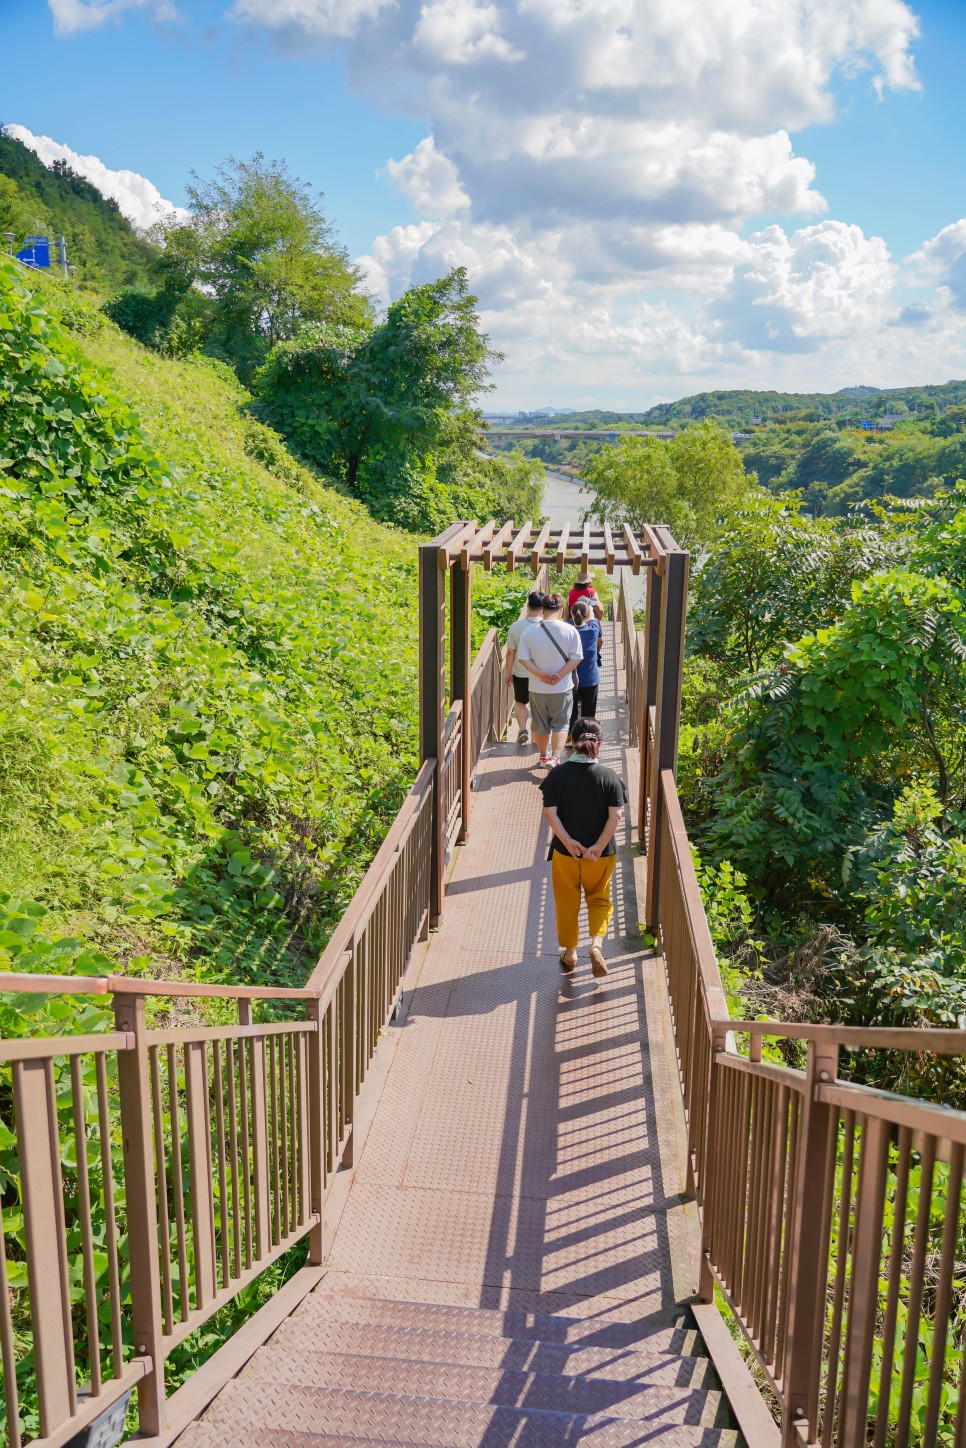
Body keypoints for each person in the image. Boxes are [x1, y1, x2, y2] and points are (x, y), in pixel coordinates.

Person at [539, 717, 625, 977]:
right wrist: (597, 846)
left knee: (567, 901)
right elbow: (616, 816)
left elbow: (550, 813)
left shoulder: (558, 775)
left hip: (566, 853)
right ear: (599, 743)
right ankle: (596, 945)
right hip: (600, 855)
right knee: (599, 899)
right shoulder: (610, 777)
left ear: (571, 742)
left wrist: (567, 841)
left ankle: (570, 953)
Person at [517, 593, 584, 769]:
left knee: (540, 725)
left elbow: (523, 658)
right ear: (562, 610)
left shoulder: (529, 631)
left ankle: (542, 756)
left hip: (537, 687)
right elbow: (576, 658)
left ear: (542, 610)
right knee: (561, 723)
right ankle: (555, 757)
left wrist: (540, 675)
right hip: (562, 687)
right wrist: (560, 675)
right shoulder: (570, 630)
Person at [504, 590, 545, 745]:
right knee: (538, 705)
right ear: (543, 608)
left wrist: (508, 672)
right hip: (540, 674)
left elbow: (510, 652)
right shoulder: (546, 626)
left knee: (521, 702)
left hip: (521, 673)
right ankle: (536, 738)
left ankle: (522, 729)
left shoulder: (516, 626)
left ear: (528, 605)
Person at [567, 598, 602, 742]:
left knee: (572, 712)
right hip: (590, 679)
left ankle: (572, 738)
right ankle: (588, 740)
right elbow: (593, 616)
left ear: (572, 613)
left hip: (570, 679)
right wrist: (590, 609)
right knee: (588, 714)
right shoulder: (593, 629)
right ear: (587, 615)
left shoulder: (568, 630)